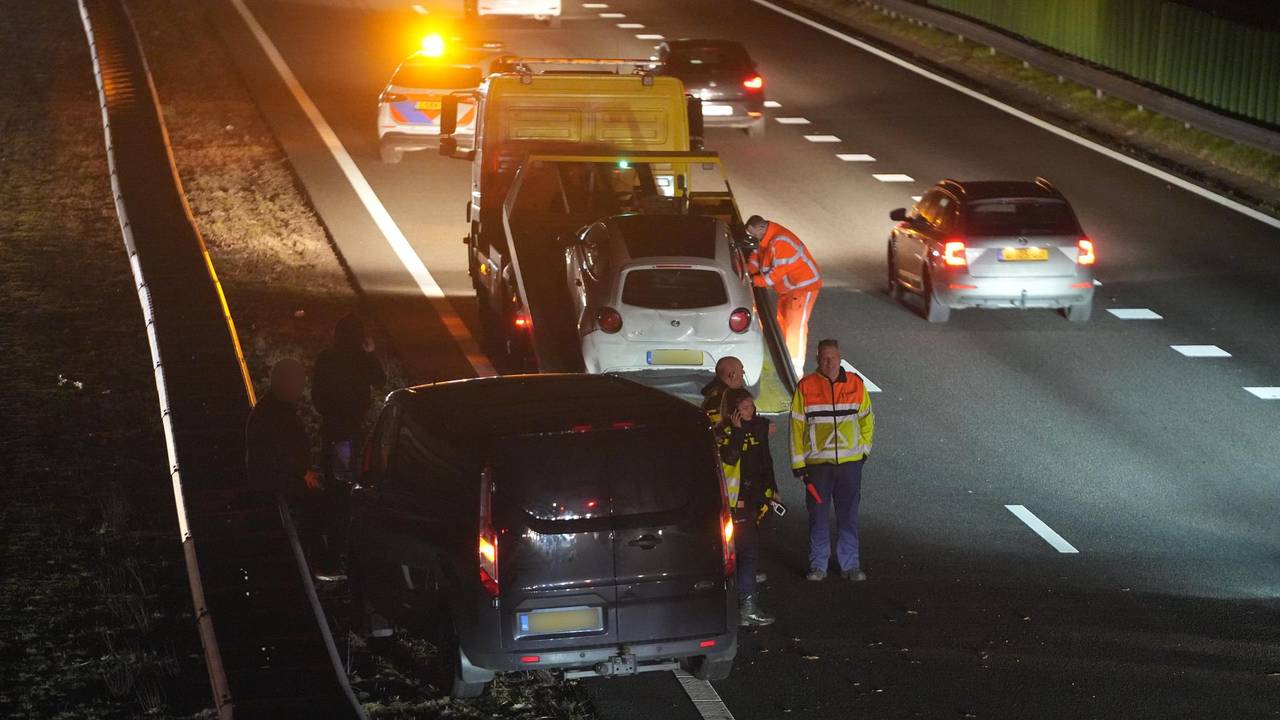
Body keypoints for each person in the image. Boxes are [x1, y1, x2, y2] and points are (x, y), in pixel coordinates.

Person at [790, 339, 874, 582]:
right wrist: (798, 464)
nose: (828, 362)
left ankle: (850, 565)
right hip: (817, 468)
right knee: (818, 516)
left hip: (850, 466)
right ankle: (818, 566)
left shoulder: (856, 385)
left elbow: (867, 420)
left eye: (832, 358)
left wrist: (863, 451)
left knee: (848, 516)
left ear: (840, 357)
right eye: (824, 358)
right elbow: (796, 427)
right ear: (817, 359)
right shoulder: (806, 386)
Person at [310, 314, 386, 571]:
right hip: (350, 431)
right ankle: (344, 549)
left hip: (333, 429)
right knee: (347, 489)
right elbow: (380, 380)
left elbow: (316, 396)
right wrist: (371, 353)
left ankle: (334, 550)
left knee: (337, 489)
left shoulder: (326, 359)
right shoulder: (361, 360)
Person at [245, 358, 323, 566]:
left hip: (274, 474)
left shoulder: (271, 407)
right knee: (315, 504)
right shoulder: (277, 413)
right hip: (277, 478)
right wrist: (303, 473)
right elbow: (284, 451)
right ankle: (316, 559)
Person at [717, 387, 780, 626]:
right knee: (745, 555)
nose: (751, 411)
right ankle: (746, 607)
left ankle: (742, 605)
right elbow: (731, 458)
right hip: (735, 506)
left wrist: (773, 489)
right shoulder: (724, 433)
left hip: (754, 502)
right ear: (733, 412)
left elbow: (765, 460)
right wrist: (737, 431)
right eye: (744, 408)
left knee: (748, 554)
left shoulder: (756, 428)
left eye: (751, 407)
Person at [744, 215, 822, 374]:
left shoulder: (781, 242)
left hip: (803, 287)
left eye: (755, 234)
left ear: (761, 228)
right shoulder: (766, 239)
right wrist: (747, 272)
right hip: (788, 288)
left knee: (795, 326)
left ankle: (795, 369)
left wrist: (752, 281)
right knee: (783, 322)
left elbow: (774, 276)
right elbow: (756, 258)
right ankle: (785, 359)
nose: (754, 238)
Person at [700, 355, 746, 424]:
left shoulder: (715, 396)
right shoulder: (723, 400)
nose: (743, 372)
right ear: (732, 375)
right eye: (741, 369)